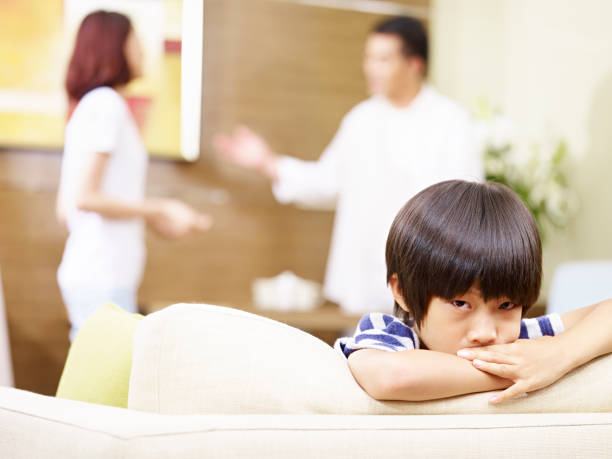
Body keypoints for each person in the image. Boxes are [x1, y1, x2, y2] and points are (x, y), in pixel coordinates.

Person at [214, 16, 482, 315]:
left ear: (414, 64)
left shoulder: (451, 122)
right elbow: (327, 182)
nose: (370, 68)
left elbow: (464, 208)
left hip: (426, 286)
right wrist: (267, 163)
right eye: (368, 58)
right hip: (361, 284)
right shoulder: (360, 119)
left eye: (382, 59)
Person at [335, 180, 612, 404]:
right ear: (403, 292)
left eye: (506, 306)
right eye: (460, 303)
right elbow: (389, 377)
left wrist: (557, 356)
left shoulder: (520, 341)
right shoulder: (391, 332)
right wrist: (522, 371)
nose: (486, 333)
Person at [56, 10, 212, 341]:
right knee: (103, 386)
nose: (142, 50)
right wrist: (159, 208)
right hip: (102, 276)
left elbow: (66, 208)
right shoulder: (106, 105)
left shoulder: (92, 106)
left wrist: (156, 221)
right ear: (115, 47)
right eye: (135, 41)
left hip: (96, 273)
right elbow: (84, 198)